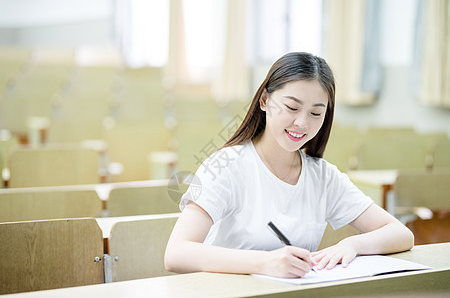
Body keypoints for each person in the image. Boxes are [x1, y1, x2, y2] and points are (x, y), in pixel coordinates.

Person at [164, 52, 414, 278]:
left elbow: (401, 234)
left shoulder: (322, 176)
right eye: (292, 107)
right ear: (264, 101)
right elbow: (176, 253)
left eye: (316, 113)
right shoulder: (226, 165)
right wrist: (265, 262)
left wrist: (351, 245)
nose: (302, 124)